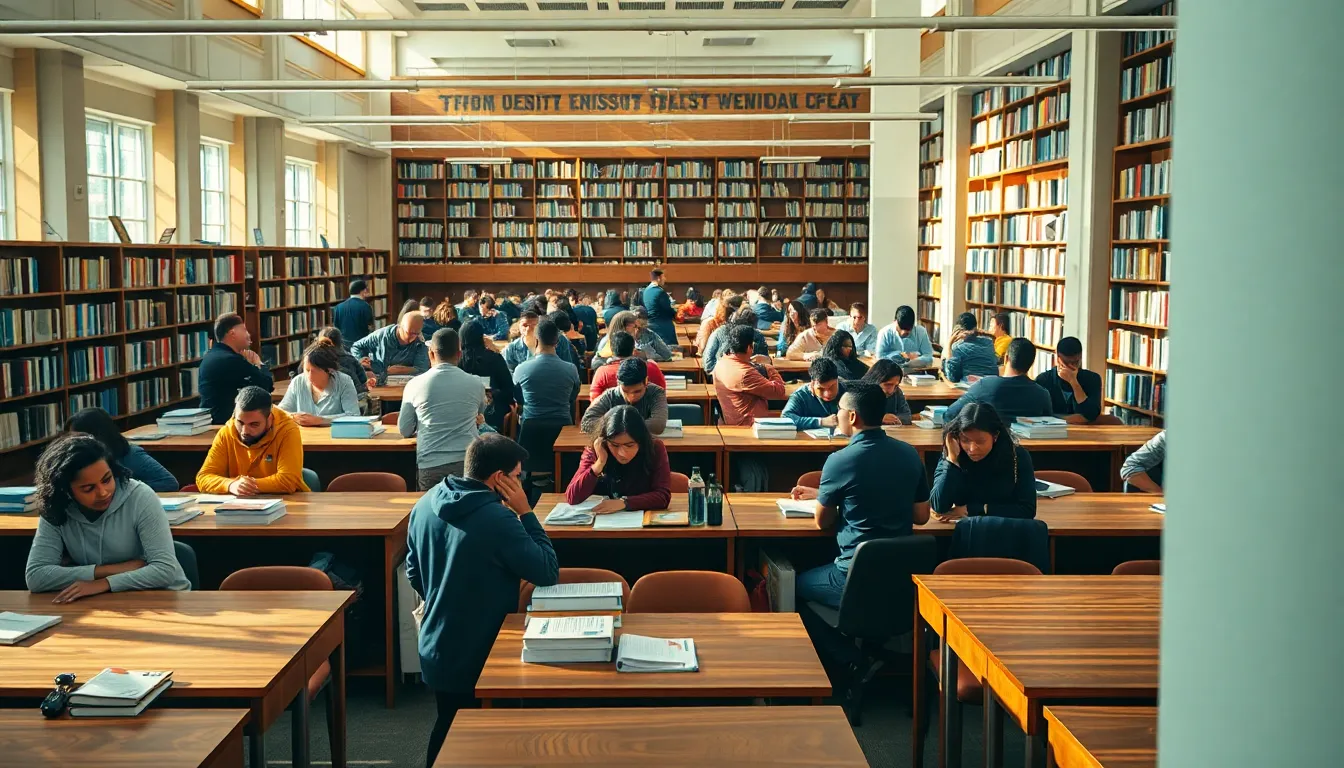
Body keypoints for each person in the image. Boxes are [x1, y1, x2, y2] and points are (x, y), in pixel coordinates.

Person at [407, 433, 559, 768]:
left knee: (449, 728)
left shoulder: (425, 502)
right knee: (489, 737)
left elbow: (413, 571)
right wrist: (526, 511)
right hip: (484, 650)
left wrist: (445, 592)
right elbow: (547, 570)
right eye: (517, 476)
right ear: (499, 478)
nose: (521, 483)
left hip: (437, 644)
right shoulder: (498, 519)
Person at [788, 383, 930, 609]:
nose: (837, 415)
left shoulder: (839, 460)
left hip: (852, 574)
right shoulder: (911, 454)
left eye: (840, 410)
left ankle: (828, 634)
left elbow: (822, 521)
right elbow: (921, 516)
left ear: (852, 416)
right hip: (900, 574)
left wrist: (835, 502)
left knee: (792, 584)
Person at [25, 434, 190, 601]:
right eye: (88, 488)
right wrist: (113, 570)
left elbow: (164, 571)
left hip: (164, 597)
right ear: (65, 490)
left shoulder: (140, 496)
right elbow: (36, 576)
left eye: (107, 479)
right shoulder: (56, 507)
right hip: (103, 600)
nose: (103, 492)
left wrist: (103, 583)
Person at [401, 329, 489, 491]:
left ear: (431, 354)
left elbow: (405, 429)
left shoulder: (414, 385)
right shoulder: (476, 383)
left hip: (431, 462)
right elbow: (479, 415)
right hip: (468, 462)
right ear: (459, 354)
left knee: (432, 506)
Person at [929, 402, 1036, 520]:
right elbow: (939, 507)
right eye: (965, 440)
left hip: (1003, 527)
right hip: (962, 528)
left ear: (995, 436)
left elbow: (1027, 510)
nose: (972, 449)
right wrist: (952, 462)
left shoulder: (1016, 456)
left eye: (980, 441)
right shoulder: (954, 451)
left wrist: (973, 509)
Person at [195, 386, 310, 495]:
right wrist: (231, 485)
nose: (244, 431)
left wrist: (248, 485)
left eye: (254, 424)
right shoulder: (226, 432)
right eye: (240, 422)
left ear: (269, 419)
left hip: (288, 501)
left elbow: (288, 481)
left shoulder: (287, 430)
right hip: (240, 503)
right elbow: (204, 477)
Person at [566, 405, 672, 513]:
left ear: (641, 440)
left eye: (629, 445)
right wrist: (599, 463)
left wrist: (624, 502)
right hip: (602, 519)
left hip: (640, 518)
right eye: (615, 445)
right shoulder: (597, 450)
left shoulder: (654, 448)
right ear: (605, 441)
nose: (622, 453)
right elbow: (572, 497)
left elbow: (662, 496)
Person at [66, 407, 178, 492]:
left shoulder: (131, 455)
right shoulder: (75, 457)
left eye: (79, 438)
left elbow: (169, 482)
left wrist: (124, 490)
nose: (74, 443)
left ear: (97, 435)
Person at [944, 338, 1054, 422]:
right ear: (1032, 363)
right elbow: (1048, 424)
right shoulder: (1043, 394)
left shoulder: (985, 385)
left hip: (990, 444)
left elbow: (950, 414)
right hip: (1027, 445)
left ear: (1006, 358)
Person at [198, 313, 273, 425]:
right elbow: (266, 386)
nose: (248, 335)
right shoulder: (230, 360)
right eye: (244, 330)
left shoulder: (211, 355)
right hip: (223, 424)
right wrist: (258, 363)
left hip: (211, 420)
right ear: (233, 333)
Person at [512, 318, 581, 428]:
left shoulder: (521, 369)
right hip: (562, 424)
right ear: (557, 342)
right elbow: (573, 396)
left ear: (536, 340)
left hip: (531, 425)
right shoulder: (571, 369)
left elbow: (517, 397)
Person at [714, 324, 786, 426]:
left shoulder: (721, 363)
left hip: (731, 420)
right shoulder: (745, 373)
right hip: (750, 425)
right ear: (749, 347)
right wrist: (769, 367)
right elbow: (779, 391)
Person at [278, 341, 361, 426]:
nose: (309, 376)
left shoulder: (344, 382)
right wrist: (293, 417)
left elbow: (353, 415)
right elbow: (280, 412)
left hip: (334, 433)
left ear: (329, 370)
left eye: (314, 371)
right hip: (304, 433)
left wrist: (321, 420)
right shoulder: (298, 382)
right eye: (307, 370)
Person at [580, 358, 668, 436]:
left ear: (646, 381)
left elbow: (658, 425)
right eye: (625, 391)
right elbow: (587, 423)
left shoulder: (656, 393)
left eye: (637, 391)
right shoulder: (610, 395)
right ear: (618, 384)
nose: (631, 397)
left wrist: (615, 425)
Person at [458, 320, 515, 432]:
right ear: (481, 337)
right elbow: (509, 390)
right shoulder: (494, 358)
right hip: (492, 417)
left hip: (463, 417)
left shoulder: (456, 361)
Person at [1033, 336, 1103, 423]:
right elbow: (1039, 415)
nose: (1071, 366)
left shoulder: (1093, 379)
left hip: (1083, 430)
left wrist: (1074, 383)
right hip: (1052, 429)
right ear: (1057, 357)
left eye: (1075, 362)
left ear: (1081, 356)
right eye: (1066, 363)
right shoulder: (1043, 380)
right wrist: (1070, 419)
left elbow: (1092, 414)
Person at [351, 311, 431, 385]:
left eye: (416, 333)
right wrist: (361, 359)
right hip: (378, 383)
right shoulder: (382, 336)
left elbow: (422, 369)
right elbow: (356, 347)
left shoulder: (420, 341)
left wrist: (401, 370)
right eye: (409, 333)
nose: (412, 337)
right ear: (400, 326)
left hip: (406, 386)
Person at [590, 331, 666, 401]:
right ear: (633, 349)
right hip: (648, 410)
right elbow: (661, 395)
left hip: (611, 411)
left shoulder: (602, 372)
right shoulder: (651, 368)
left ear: (611, 350)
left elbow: (594, 399)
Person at [702, 307, 771, 375]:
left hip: (721, 376)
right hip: (747, 376)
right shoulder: (757, 335)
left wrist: (720, 373)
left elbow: (708, 364)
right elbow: (766, 364)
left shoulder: (719, 331)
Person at [502, 310, 578, 372]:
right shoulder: (511, 348)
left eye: (533, 325)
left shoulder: (559, 340)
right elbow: (509, 373)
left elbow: (568, 367)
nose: (528, 329)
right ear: (519, 326)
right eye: (524, 325)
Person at [782, 358, 845, 431]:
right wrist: (820, 422)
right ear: (812, 383)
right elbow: (785, 419)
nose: (828, 394)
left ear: (837, 380)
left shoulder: (849, 390)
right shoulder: (800, 396)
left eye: (832, 387)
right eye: (821, 389)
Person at [595, 310, 672, 366]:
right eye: (635, 327)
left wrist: (645, 355)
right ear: (624, 327)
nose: (638, 330)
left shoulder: (646, 334)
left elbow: (667, 355)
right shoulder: (607, 341)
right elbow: (596, 363)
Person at [943, 312, 1001, 383]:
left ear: (958, 331)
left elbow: (952, 377)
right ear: (976, 327)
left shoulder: (958, 348)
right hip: (993, 384)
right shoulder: (989, 343)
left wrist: (949, 343)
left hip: (971, 386)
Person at [316, 327, 374, 397]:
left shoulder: (314, 360)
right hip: (351, 397)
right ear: (340, 341)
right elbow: (363, 379)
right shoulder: (350, 358)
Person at [875, 305, 934, 370]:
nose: (903, 332)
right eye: (900, 328)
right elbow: (879, 359)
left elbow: (929, 358)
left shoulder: (921, 332)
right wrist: (900, 356)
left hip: (914, 371)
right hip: (890, 372)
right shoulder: (885, 333)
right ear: (895, 321)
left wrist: (910, 362)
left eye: (908, 330)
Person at [862, 359, 913, 425]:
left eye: (896, 385)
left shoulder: (897, 391)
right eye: (888, 385)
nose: (891, 391)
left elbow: (907, 416)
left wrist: (893, 419)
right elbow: (854, 418)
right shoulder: (860, 393)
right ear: (875, 380)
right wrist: (879, 418)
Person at [332, 279, 374, 350]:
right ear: (363, 291)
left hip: (343, 346)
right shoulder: (365, 306)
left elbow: (336, 328)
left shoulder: (338, 307)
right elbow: (370, 327)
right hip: (361, 346)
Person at [642, 269, 678, 345]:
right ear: (659, 278)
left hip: (650, 324)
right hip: (662, 325)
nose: (665, 279)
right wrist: (676, 313)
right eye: (664, 277)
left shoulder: (646, 291)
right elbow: (667, 309)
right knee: (670, 347)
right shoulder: (660, 292)